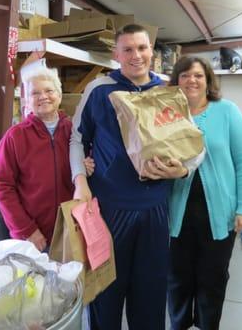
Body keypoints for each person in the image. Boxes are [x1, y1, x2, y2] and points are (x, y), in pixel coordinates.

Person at [70, 24, 188, 330]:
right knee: (105, 294)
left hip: (154, 207)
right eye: (128, 49)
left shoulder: (167, 92)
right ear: (116, 54)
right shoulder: (99, 89)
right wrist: (80, 179)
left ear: (151, 50)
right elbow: (77, 139)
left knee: (150, 295)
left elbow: (187, 142)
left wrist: (185, 168)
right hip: (109, 208)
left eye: (142, 48)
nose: (137, 56)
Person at [167, 56, 242, 330]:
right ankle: (179, 324)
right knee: (177, 279)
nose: (191, 80)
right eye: (184, 75)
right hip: (177, 214)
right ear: (176, 81)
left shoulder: (227, 111)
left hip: (218, 214)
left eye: (197, 75)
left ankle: (208, 325)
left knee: (212, 279)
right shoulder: (167, 114)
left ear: (208, 81)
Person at [0, 64, 93, 251]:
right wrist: (27, 230)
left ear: (59, 95)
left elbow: (87, 172)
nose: (43, 97)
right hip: (34, 238)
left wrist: (86, 168)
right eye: (35, 93)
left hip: (71, 230)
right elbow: (3, 187)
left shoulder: (76, 133)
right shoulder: (15, 137)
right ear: (27, 100)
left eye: (49, 90)